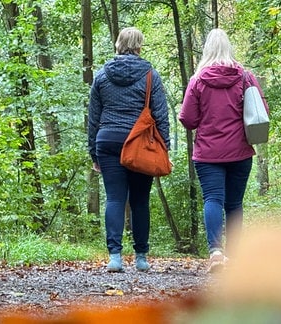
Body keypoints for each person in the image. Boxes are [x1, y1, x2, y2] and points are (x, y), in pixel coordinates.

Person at [179, 28, 269, 272]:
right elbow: (262, 113)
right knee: (234, 203)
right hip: (240, 152)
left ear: (207, 49)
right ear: (229, 48)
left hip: (208, 153)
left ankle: (216, 253)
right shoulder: (245, 77)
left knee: (212, 199)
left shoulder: (198, 81)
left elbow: (187, 119)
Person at [87, 27, 170, 272]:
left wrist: (94, 152)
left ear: (119, 45)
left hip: (108, 140)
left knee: (114, 198)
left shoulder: (101, 75)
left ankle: (115, 257)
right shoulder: (150, 75)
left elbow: (93, 118)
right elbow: (161, 116)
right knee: (140, 201)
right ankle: (141, 258)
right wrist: (163, 149)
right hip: (140, 143)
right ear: (139, 46)